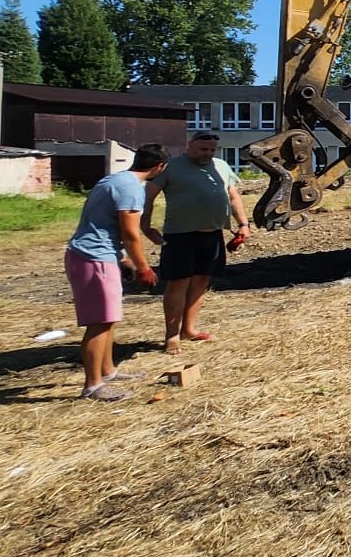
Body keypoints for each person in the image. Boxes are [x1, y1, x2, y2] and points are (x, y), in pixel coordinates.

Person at [66, 144, 168, 401]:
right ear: (160, 167)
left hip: (98, 255)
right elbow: (130, 233)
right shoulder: (131, 189)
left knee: (108, 319)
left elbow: (102, 224)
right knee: (99, 323)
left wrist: (122, 259)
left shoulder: (116, 179)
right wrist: (143, 267)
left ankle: (108, 370)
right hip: (94, 258)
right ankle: (93, 386)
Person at [144, 131, 251, 353]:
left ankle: (189, 330)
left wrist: (243, 224)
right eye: (203, 149)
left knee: (202, 281)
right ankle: (172, 336)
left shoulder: (220, 166)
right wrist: (145, 226)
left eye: (212, 150)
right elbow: (149, 196)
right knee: (179, 283)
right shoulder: (171, 167)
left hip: (212, 234)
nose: (208, 153)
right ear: (190, 146)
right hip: (180, 235)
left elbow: (233, 197)